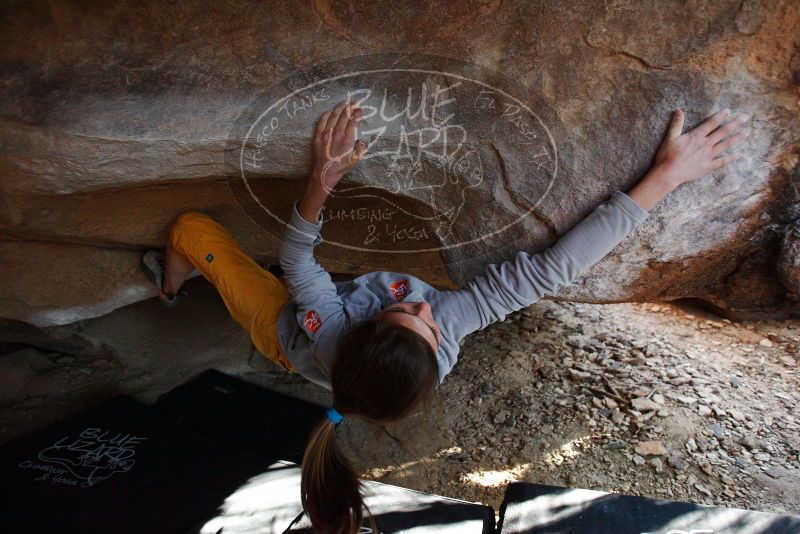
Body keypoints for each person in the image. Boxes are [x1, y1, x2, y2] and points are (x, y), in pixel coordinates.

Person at [141, 100, 749, 533]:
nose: (427, 305)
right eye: (426, 320)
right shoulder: (451, 324)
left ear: (367, 324)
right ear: (437, 350)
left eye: (408, 310)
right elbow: (550, 270)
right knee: (297, 283)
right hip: (324, 327)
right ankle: (182, 279)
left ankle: (171, 284)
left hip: (283, 330)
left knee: (191, 231)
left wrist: (321, 181)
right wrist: (666, 176)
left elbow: (299, 255)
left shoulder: (327, 328)